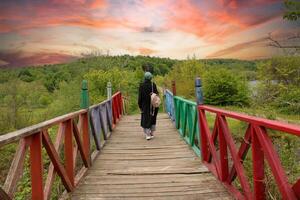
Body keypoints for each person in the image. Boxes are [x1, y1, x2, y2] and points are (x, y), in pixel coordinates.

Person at [138, 72, 159, 140]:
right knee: (153, 118)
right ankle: (152, 133)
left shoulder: (142, 85)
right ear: (151, 78)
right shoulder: (153, 85)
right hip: (153, 105)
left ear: (145, 77)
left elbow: (140, 97)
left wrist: (140, 105)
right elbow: (157, 94)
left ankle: (147, 135)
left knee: (146, 118)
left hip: (145, 105)